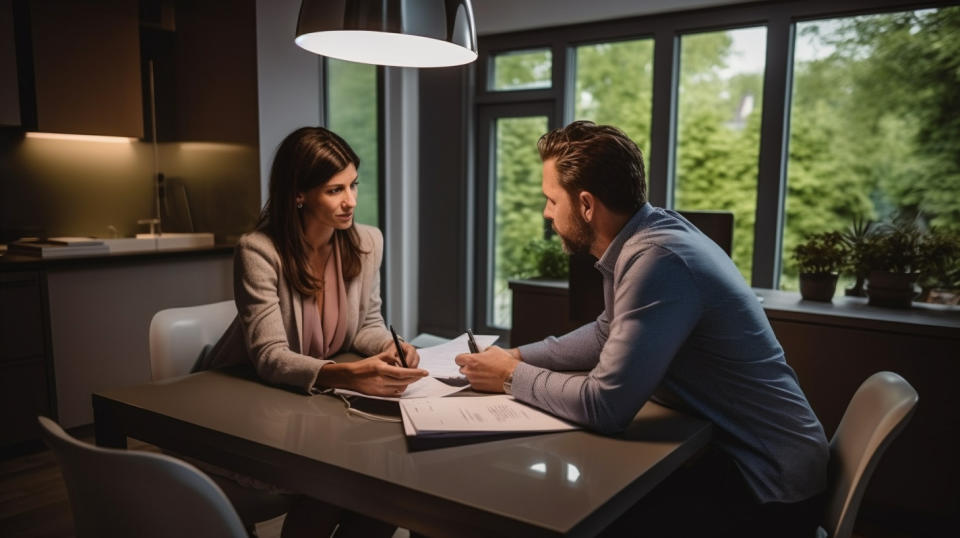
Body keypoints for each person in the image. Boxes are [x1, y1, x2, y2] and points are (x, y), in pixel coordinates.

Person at [455, 121, 829, 537]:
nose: (546, 214)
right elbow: (604, 332)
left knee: (582, 515)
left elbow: (606, 407)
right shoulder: (649, 234)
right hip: (748, 460)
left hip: (769, 487)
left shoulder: (657, 259)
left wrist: (509, 377)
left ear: (585, 205)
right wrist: (517, 355)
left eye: (550, 200)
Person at [204, 126, 426, 537]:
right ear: (299, 194)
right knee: (340, 483)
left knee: (389, 490)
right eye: (334, 190)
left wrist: (394, 348)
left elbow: (367, 325)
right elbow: (269, 356)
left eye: (353, 185)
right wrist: (347, 374)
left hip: (310, 408)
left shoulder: (367, 242)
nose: (351, 201)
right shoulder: (259, 251)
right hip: (252, 406)